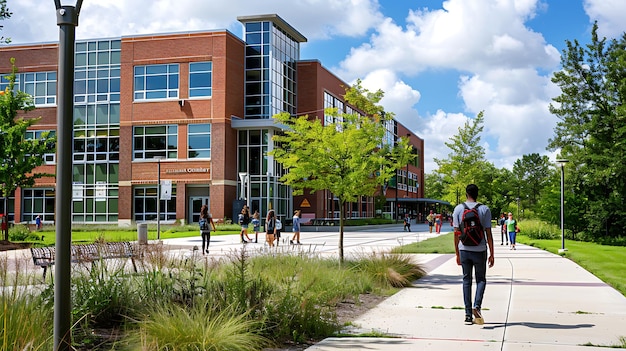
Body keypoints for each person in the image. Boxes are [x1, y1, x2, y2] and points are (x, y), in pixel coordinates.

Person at [453, 184, 494, 326]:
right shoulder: (484, 209)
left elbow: (456, 233)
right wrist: (492, 253)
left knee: (466, 281)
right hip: (480, 249)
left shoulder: (458, 209)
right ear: (477, 194)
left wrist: (457, 253)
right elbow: (488, 233)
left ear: (466, 193)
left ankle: (467, 315)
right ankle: (477, 306)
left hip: (464, 249)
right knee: (481, 279)